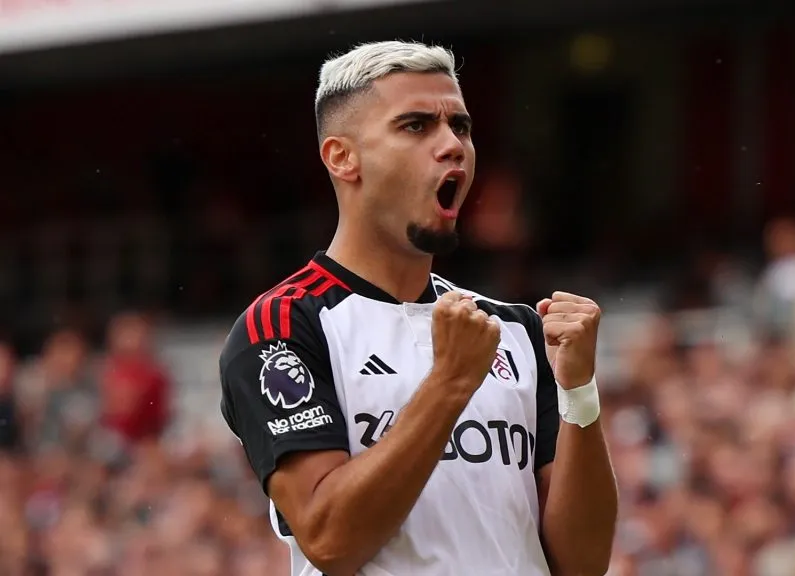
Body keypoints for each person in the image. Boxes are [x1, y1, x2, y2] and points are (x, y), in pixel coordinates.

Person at [218, 41, 618, 576]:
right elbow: (331, 539)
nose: (452, 144)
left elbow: (583, 563)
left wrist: (580, 395)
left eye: (461, 126)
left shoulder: (515, 328)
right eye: (415, 126)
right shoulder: (284, 326)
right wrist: (449, 382)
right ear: (343, 157)